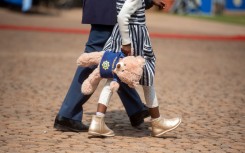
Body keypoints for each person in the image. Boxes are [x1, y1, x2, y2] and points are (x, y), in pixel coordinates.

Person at [53, 0, 165, 132]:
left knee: (118, 59)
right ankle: (68, 113)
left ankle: (136, 109)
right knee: (95, 56)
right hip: (107, 7)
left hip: (103, 6)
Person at [88, 0, 181, 137]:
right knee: (147, 77)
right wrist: (126, 43)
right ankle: (157, 122)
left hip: (122, 36)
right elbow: (123, 16)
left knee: (114, 77)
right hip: (133, 40)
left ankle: (98, 121)